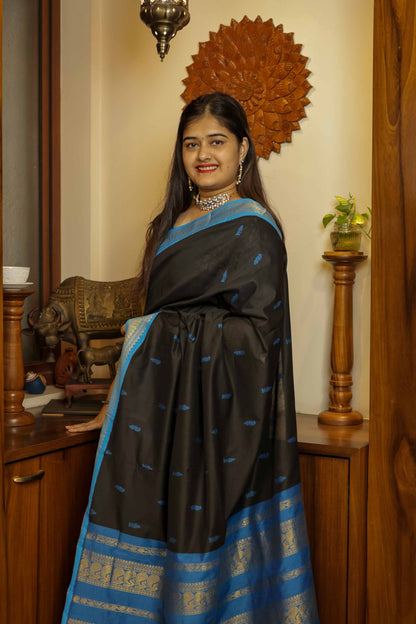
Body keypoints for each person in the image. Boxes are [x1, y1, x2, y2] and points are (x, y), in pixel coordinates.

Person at [62, 92, 319, 623]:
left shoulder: (254, 227)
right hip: (157, 423)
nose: (203, 154)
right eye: (191, 144)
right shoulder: (169, 224)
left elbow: (258, 339)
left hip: (217, 428)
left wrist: (156, 333)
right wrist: (113, 402)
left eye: (216, 142)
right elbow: (152, 319)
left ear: (243, 149)